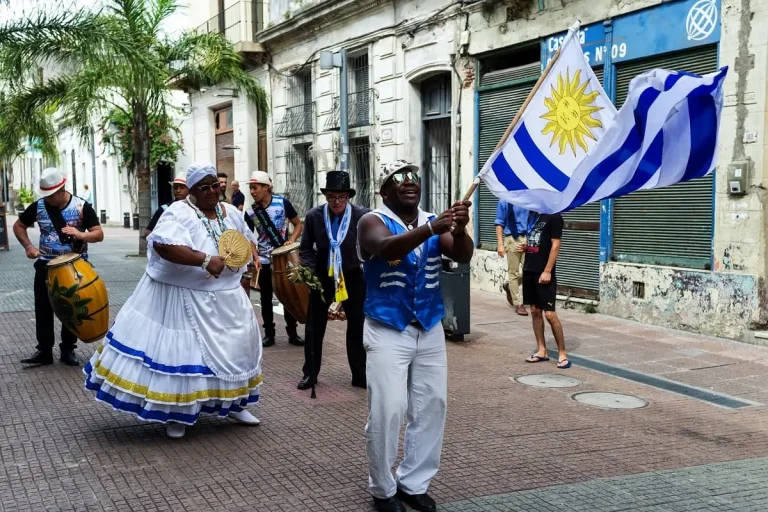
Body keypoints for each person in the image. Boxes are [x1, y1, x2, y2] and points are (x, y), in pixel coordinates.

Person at [84, 163, 263, 439]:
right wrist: (205, 260)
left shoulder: (231, 213)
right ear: (191, 190)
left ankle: (235, 404)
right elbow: (162, 245)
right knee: (182, 353)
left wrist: (250, 258)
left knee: (238, 348)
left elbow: (244, 239)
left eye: (216, 186)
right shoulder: (178, 212)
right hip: (185, 296)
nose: (213, 192)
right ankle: (175, 413)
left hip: (227, 295)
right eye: (205, 188)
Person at [357, 160, 473, 512]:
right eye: (400, 178)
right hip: (387, 328)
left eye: (414, 178)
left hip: (429, 326)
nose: (410, 183)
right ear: (385, 189)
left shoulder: (432, 219)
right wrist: (432, 228)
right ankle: (383, 490)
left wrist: (461, 229)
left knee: (431, 406)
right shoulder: (371, 221)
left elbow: (462, 254)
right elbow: (386, 248)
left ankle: (414, 482)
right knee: (389, 410)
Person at [13, 168, 104, 367]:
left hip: (75, 266)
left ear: (62, 189)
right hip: (46, 265)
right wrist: (28, 246)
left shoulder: (81, 206)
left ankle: (68, 350)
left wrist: (80, 235)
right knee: (43, 308)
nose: (47, 199)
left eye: (50, 195)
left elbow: (98, 234)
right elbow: (18, 226)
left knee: (73, 309)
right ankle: (44, 351)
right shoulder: (38, 207)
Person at [297, 171, 369, 391]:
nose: (336, 202)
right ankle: (310, 373)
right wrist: (308, 272)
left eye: (341, 197)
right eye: (331, 197)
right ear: (326, 196)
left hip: (353, 276)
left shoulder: (362, 216)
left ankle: (360, 374)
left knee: (357, 325)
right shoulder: (314, 216)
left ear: (348, 196)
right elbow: (306, 248)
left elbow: (372, 245)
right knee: (314, 326)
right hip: (322, 276)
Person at [244, 170, 305, 348]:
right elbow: (248, 237)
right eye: (251, 189)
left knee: (289, 295)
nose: (252, 192)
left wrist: (291, 241)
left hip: (283, 259)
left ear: (266, 188)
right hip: (263, 259)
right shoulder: (251, 212)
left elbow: (298, 224)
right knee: (265, 298)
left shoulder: (282, 203)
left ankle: (292, 333)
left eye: (255, 188)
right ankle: (269, 334)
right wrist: (254, 256)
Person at [518, 211, 570, 369]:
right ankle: (542, 350)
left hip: (544, 272)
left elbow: (555, 245)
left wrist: (547, 270)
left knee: (550, 314)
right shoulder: (533, 216)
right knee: (534, 311)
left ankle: (562, 353)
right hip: (529, 270)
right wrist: (526, 247)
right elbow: (538, 242)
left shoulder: (554, 217)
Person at [495, 200, 529, 316]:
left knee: (529, 271)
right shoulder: (504, 201)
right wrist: (500, 244)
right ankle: (518, 304)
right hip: (511, 239)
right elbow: (499, 222)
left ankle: (510, 286)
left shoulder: (528, 199)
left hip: (527, 239)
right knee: (513, 272)